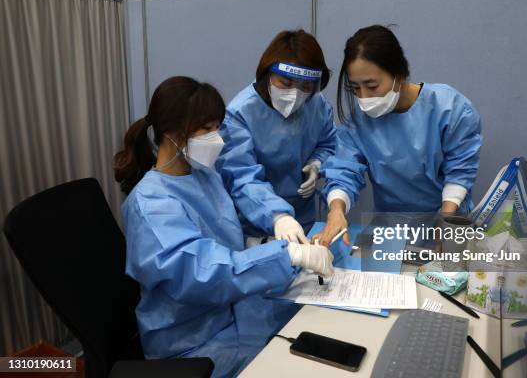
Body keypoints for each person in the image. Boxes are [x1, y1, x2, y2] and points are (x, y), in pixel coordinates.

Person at [113, 76, 334, 377]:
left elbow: (221, 238)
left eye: (217, 126)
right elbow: (203, 273)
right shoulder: (151, 204)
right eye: (205, 129)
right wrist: (286, 256)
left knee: (323, 331)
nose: (215, 137)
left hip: (233, 311)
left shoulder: (204, 176)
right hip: (193, 341)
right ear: (171, 132)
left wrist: (261, 243)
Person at [314, 25, 482, 245]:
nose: (364, 98)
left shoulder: (448, 108)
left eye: (372, 85)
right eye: (355, 88)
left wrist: (447, 219)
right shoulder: (359, 123)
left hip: (445, 220)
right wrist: (336, 210)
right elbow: (344, 169)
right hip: (390, 230)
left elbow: (460, 170)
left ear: (399, 74)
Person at [216, 30, 336, 245]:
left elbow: (328, 143)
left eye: (305, 87)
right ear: (267, 74)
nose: (295, 93)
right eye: (286, 83)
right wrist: (278, 216)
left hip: (304, 219)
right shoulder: (240, 114)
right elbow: (242, 178)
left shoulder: (317, 105)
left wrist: (317, 163)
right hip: (255, 224)